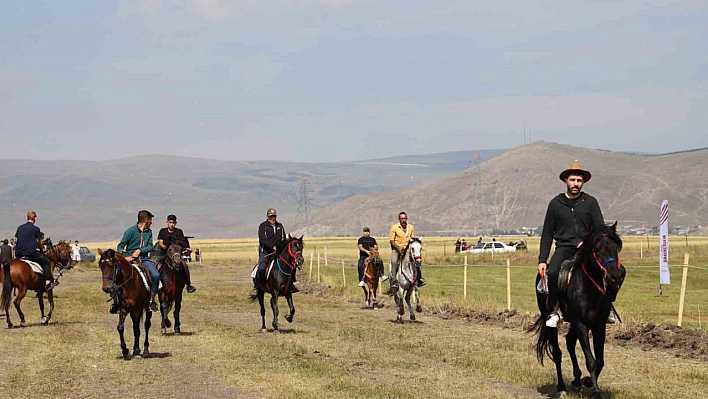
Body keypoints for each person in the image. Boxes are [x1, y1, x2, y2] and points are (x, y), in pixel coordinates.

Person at [538, 161, 612, 328]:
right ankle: (554, 311)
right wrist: (542, 259)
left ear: (583, 182)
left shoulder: (590, 202)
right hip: (564, 248)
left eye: (579, 180)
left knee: (608, 272)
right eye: (572, 180)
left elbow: (599, 229)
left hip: (586, 249)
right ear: (566, 180)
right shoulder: (555, 204)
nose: (575, 184)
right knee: (554, 272)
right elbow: (548, 233)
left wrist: (586, 242)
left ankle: (607, 310)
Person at [116, 210, 158, 313]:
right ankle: (116, 302)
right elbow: (120, 246)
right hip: (129, 259)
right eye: (150, 220)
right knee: (116, 275)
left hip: (143, 259)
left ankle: (152, 299)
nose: (151, 223)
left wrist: (140, 250)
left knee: (156, 275)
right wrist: (125, 257)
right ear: (146, 221)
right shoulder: (130, 231)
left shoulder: (149, 232)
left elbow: (150, 246)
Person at [250, 208, 293, 297]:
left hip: (278, 253)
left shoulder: (280, 226)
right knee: (261, 268)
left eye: (274, 216)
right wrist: (272, 247)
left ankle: (290, 285)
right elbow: (262, 240)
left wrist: (282, 248)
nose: (272, 218)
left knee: (290, 266)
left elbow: (283, 239)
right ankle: (257, 287)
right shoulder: (263, 226)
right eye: (270, 216)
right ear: (267, 217)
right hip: (265, 253)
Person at [14, 211, 53, 290]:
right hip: (30, 253)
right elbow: (40, 242)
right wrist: (42, 250)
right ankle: (47, 282)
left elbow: (16, 239)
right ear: (34, 218)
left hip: (18, 253)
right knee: (47, 262)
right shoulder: (35, 229)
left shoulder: (20, 227)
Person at [156, 214, 196, 293]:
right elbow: (160, 243)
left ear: (175, 223)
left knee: (184, 265)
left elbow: (182, 243)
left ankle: (188, 284)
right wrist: (167, 248)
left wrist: (180, 249)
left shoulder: (179, 232)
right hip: (164, 253)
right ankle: (156, 284)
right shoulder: (162, 231)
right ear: (167, 222)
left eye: (173, 223)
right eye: (170, 222)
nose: (172, 224)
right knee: (157, 266)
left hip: (176, 254)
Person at [388, 212, 425, 290]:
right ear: (399, 219)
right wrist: (398, 247)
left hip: (407, 249)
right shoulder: (394, 227)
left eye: (405, 218)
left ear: (407, 219)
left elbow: (412, 239)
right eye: (402, 219)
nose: (403, 220)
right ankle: (394, 281)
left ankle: (418, 279)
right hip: (396, 248)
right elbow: (391, 240)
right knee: (394, 261)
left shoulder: (410, 227)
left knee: (416, 260)